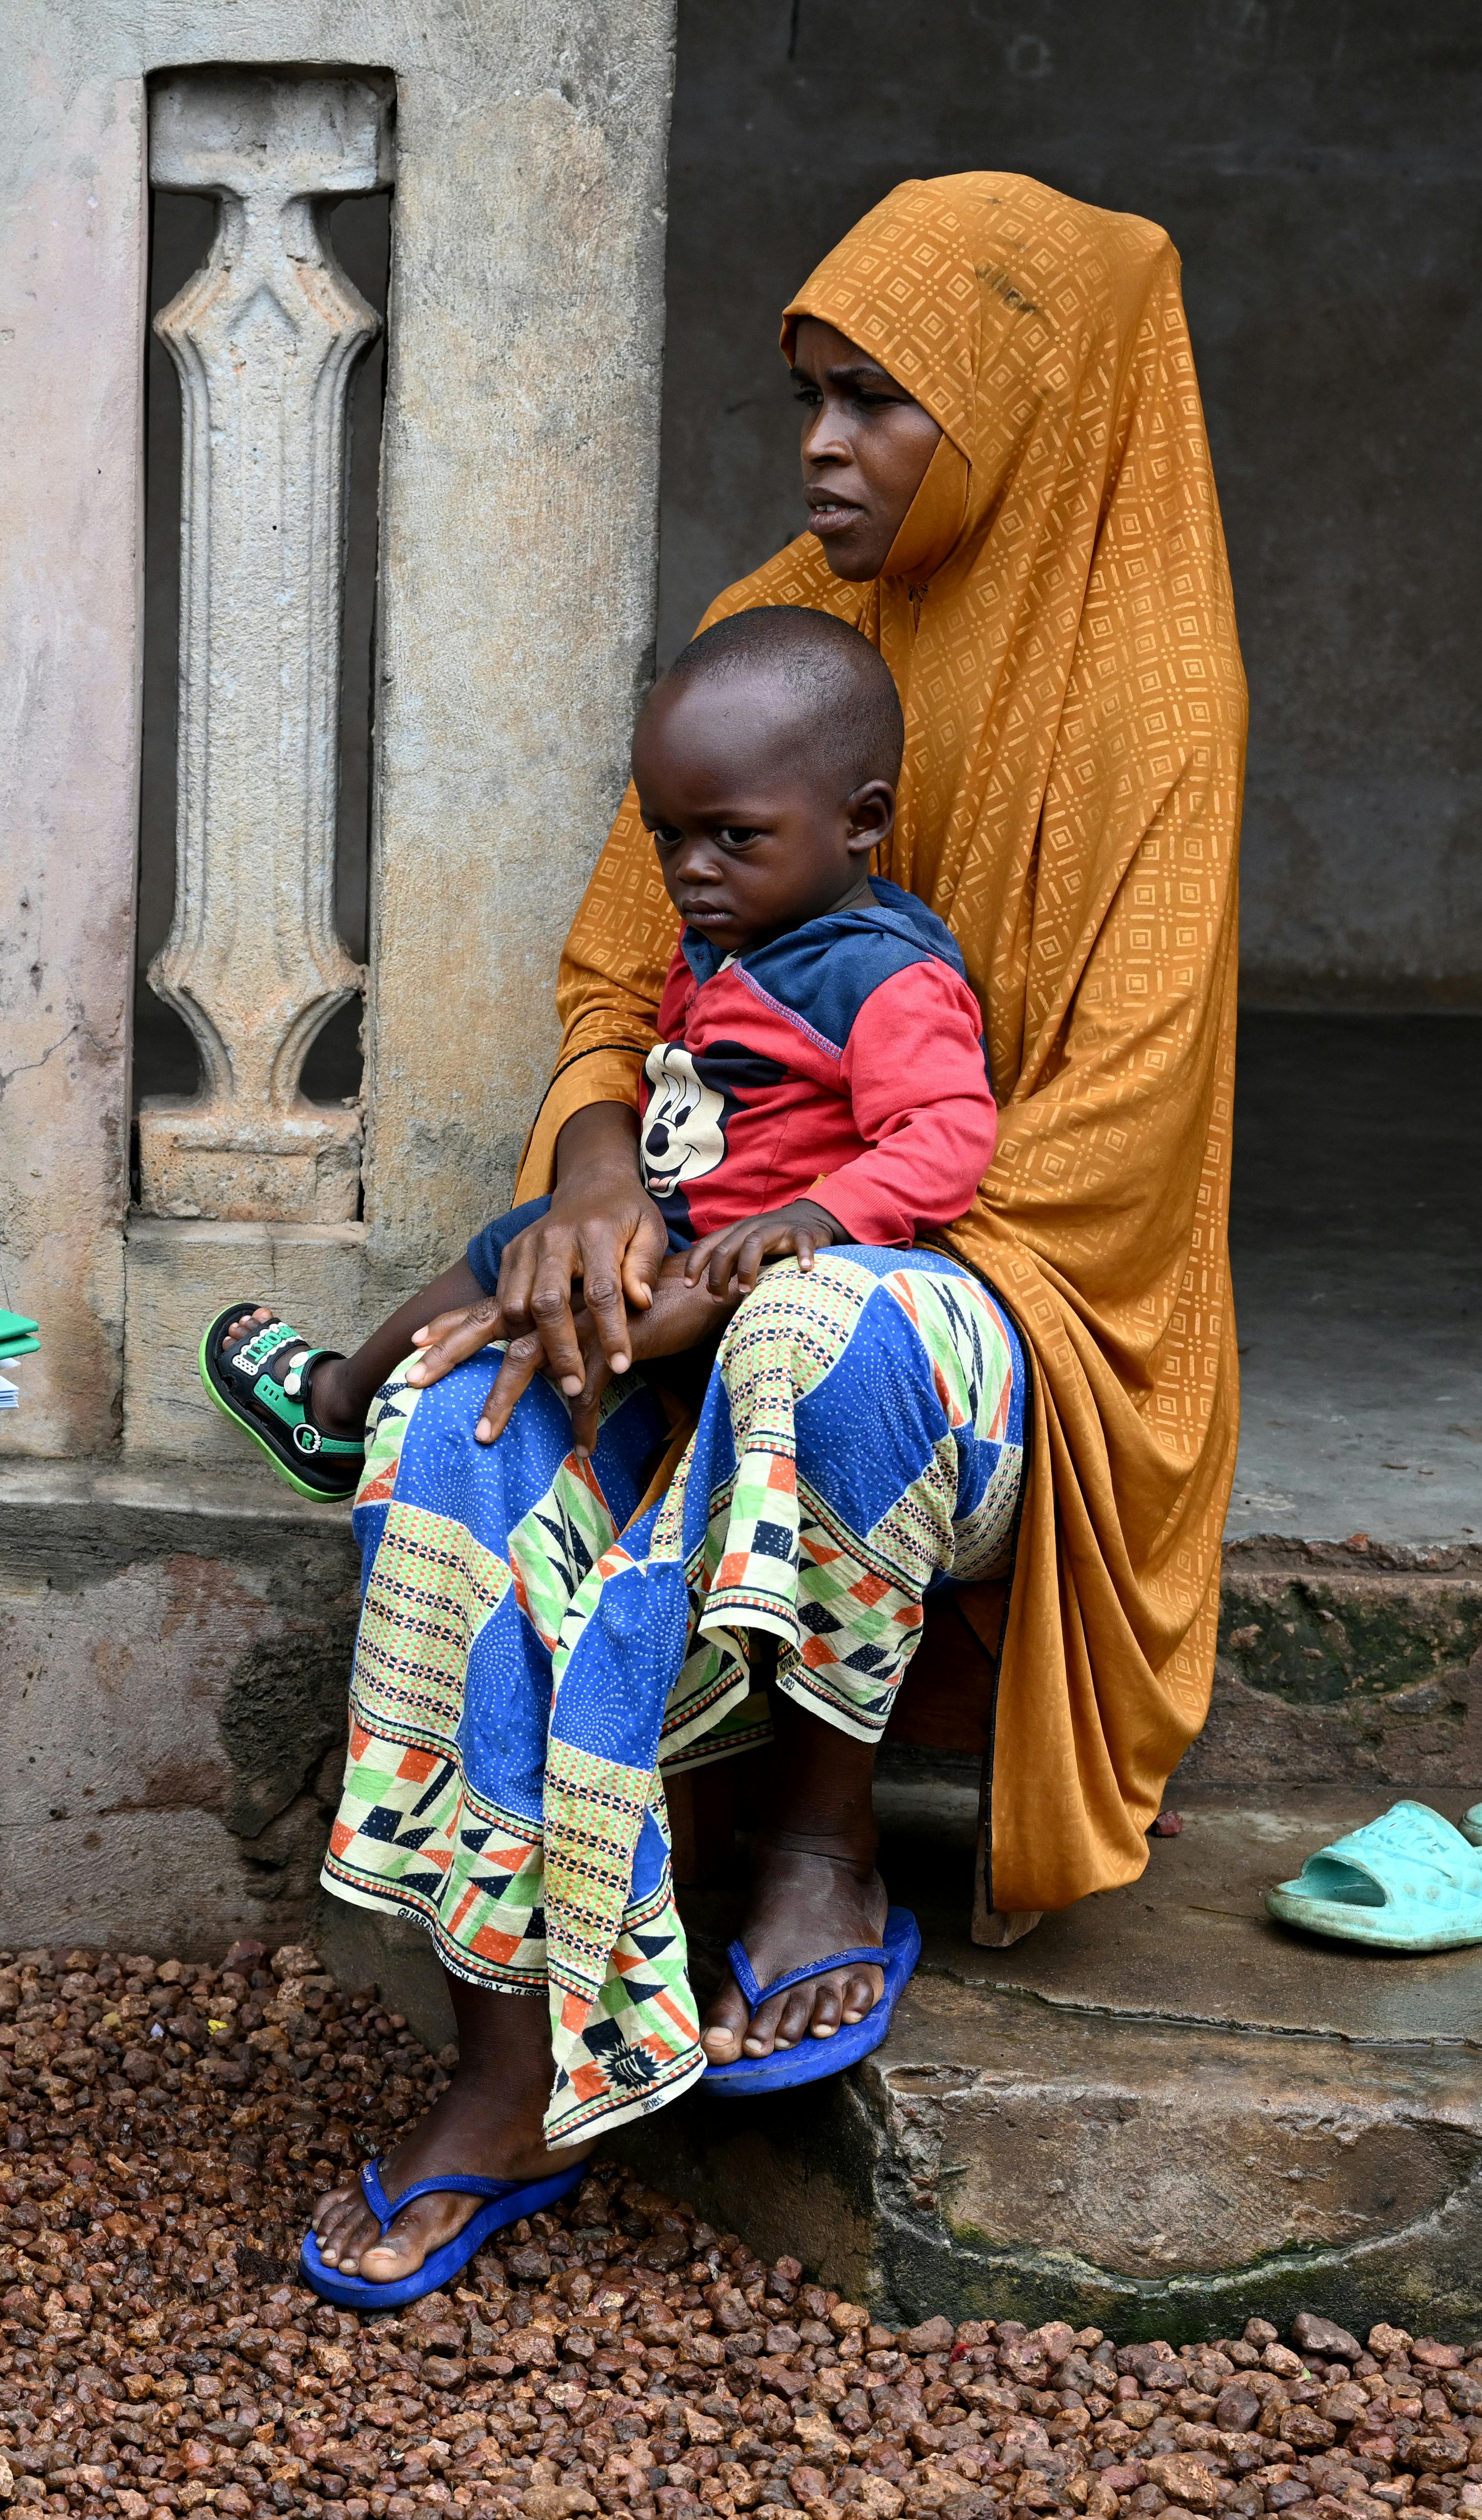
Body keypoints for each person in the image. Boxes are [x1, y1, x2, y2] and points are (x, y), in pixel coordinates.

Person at [213, 171, 1248, 2300]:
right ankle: (506, 2054)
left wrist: (737, 1260)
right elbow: (620, 993)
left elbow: (1095, 1156)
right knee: (472, 1401)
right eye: (809, 395)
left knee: (827, 1337)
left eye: (882, 403)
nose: (822, 447)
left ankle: (814, 1832)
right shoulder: (787, 622)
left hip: (982, 1320)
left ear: (1029, 411)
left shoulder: (1152, 700)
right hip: (703, 1233)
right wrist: (602, 1191)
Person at [204, 603, 997, 1472]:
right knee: (516, 1249)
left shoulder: (882, 979)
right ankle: (346, 1405)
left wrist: (819, 1212)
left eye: (735, 835)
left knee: (517, 1278)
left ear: (864, 820)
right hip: (665, 1236)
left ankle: (341, 1399)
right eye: (670, 836)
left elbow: (948, 1131)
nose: (692, 867)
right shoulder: (724, 946)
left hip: (744, 1278)